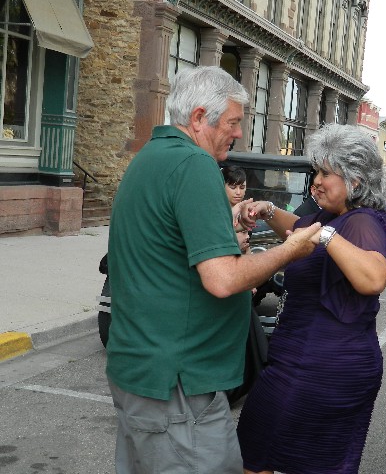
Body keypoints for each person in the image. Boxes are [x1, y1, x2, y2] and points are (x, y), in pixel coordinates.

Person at [106, 66, 321, 474]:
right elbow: (222, 279)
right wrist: (291, 249)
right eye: (234, 122)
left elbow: (169, 247)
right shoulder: (194, 165)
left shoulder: (151, 157)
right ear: (200, 118)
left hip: (143, 371)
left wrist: (226, 222)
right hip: (179, 386)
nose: (239, 133)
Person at [236, 123, 386, 474]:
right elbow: (299, 227)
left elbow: (373, 278)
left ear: (354, 181)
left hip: (325, 369)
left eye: (326, 172)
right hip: (302, 361)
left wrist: (324, 235)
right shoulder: (331, 216)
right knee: (258, 448)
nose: (316, 180)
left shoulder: (361, 222)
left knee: (273, 455)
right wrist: (267, 211)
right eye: (316, 171)